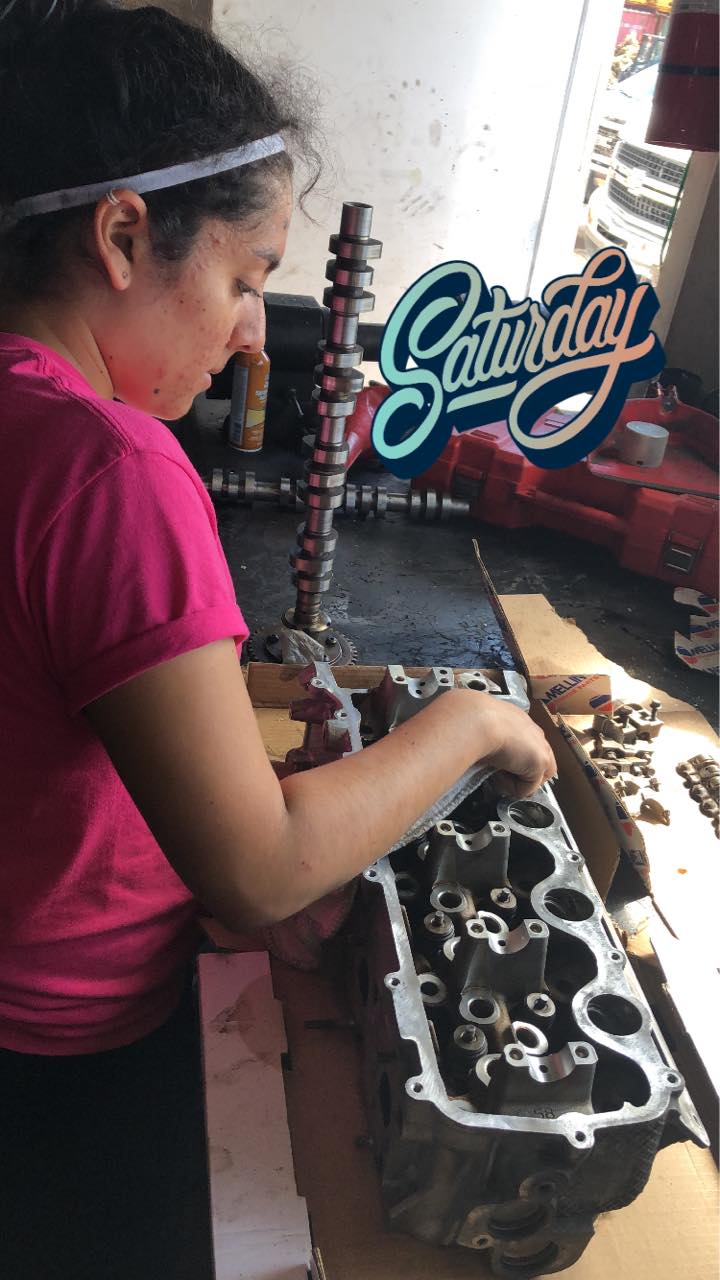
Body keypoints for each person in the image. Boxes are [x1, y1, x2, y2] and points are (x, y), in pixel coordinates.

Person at [0, 3, 556, 1277]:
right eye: (247, 279)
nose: (256, 330)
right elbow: (259, 870)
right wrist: (468, 722)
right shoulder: (111, 471)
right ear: (123, 236)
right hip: (68, 1054)